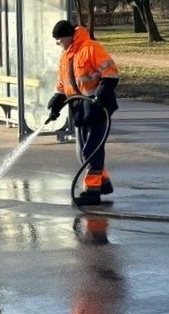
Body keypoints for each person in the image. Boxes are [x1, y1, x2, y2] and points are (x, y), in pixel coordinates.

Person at [46, 20, 119, 206]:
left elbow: (110, 73)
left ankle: (92, 192)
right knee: (81, 152)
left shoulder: (91, 48)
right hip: (79, 108)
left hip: (97, 106)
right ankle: (103, 184)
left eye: (59, 38)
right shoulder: (65, 56)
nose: (57, 42)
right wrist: (56, 102)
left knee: (91, 150)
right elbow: (64, 85)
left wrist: (101, 94)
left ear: (69, 35)